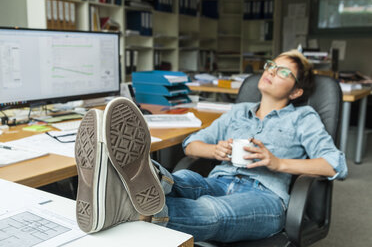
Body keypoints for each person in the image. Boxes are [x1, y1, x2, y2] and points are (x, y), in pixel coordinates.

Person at [74, 50, 347, 243]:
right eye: (270, 65)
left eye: (283, 71)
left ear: (296, 91)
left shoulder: (303, 117)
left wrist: (277, 163)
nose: (271, 72)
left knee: (211, 210)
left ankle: (125, 205)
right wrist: (213, 151)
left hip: (264, 197)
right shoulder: (238, 112)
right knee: (181, 179)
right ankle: (127, 173)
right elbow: (191, 145)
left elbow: (334, 164)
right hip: (217, 180)